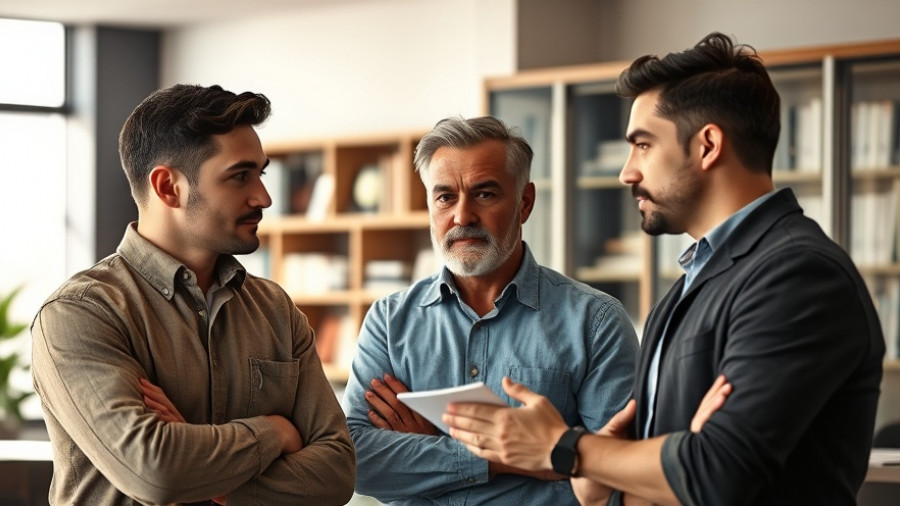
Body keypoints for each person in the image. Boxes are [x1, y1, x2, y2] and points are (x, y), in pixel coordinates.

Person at [443, 32, 885, 506]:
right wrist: (610, 474)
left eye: (643, 145)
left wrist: (563, 448)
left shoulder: (799, 275)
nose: (627, 172)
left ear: (708, 145)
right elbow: (645, 482)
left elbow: (715, 475)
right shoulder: (684, 290)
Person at [31, 84, 355, 505]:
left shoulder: (276, 309)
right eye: (240, 176)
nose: (263, 197)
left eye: (260, 174)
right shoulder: (79, 313)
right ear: (169, 187)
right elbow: (155, 472)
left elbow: (337, 473)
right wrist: (274, 432)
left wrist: (212, 475)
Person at [340, 115, 640, 504]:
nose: (462, 216)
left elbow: (617, 475)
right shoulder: (388, 321)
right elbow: (355, 462)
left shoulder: (596, 323)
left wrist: (428, 451)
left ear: (524, 203)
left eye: (484, 194)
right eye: (445, 197)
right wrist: (507, 456)